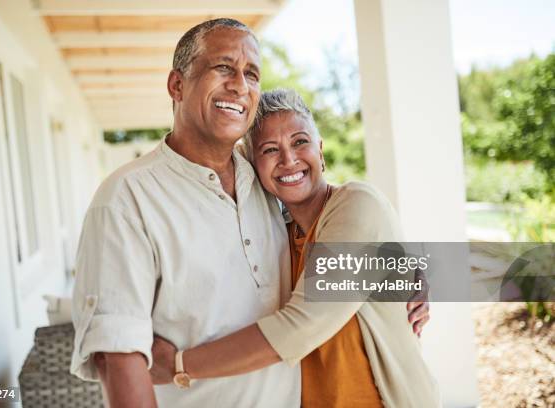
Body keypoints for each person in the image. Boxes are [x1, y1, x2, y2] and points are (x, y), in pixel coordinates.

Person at [70, 18, 429, 407]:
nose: (239, 85)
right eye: (223, 67)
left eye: (251, 73)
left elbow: (328, 248)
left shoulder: (270, 187)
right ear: (177, 85)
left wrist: (407, 271)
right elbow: (117, 354)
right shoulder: (126, 199)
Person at [150, 89, 440, 408]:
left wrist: (179, 365)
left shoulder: (359, 204)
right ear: (253, 168)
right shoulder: (275, 233)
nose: (288, 160)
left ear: (321, 150)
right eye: (270, 150)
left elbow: (300, 326)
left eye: (300, 142)